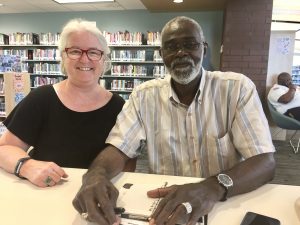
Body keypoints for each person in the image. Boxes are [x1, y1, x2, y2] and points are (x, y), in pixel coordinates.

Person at [72, 16, 276, 225]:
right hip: (165, 207)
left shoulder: (237, 88)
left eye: (190, 44)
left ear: (204, 49)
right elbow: (119, 147)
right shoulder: (143, 96)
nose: (181, 53)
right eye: (171, 47)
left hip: (224, 202)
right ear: (162, 55)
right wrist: (96, 173)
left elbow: (265, 162)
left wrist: (211, 187)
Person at [0, 18, 126, 188]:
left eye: (94, 52)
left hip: (100, 197)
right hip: (47, 192)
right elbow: (4, 148)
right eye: (75, 51)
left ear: (104, 59)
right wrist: (27, 166)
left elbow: (128, 161)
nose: (84, 59)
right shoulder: (41, 99)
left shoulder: (119, 107)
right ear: (63, 57)